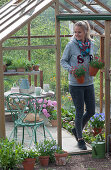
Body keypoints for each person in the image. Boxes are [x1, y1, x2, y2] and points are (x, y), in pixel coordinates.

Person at [60, 21, 95, 150]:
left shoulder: (91, 44)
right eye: (75, 32)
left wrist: (95, 65)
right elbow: (63, 61)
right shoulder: (71, 45)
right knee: (79, 111)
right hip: (75, 84)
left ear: (86, 32)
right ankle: (80, 139)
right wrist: (71, 69)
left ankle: (77, 129)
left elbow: (92, 59)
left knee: (91, 111)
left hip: (89, 82)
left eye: (79, 32)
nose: (76, 34)